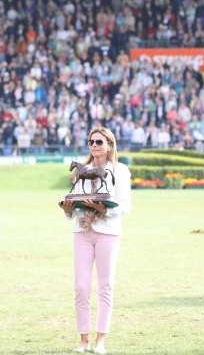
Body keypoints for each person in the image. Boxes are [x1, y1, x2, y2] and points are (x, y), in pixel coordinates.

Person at [59, 127, 131, 354]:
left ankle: (100, 340)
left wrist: (102, 209)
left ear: (109, 145)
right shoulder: (82, 171)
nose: (94, 145)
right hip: (82, 231)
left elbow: (124, 206)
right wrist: (67, 209)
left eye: (99, 142)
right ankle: (83, 340)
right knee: (81, 287)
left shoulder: (120, 171)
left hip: (108, 232)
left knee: (105, 286)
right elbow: (75, 204)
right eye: (91, 142)